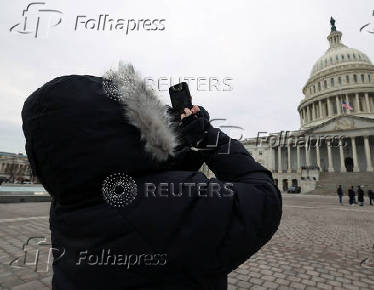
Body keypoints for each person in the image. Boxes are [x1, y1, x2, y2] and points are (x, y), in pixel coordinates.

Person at [21, 64, 282, 290]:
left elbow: (134, 171)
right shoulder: (177, 205)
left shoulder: (69, 201)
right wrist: (207, 137)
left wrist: (186, 146)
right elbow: (263, 195)